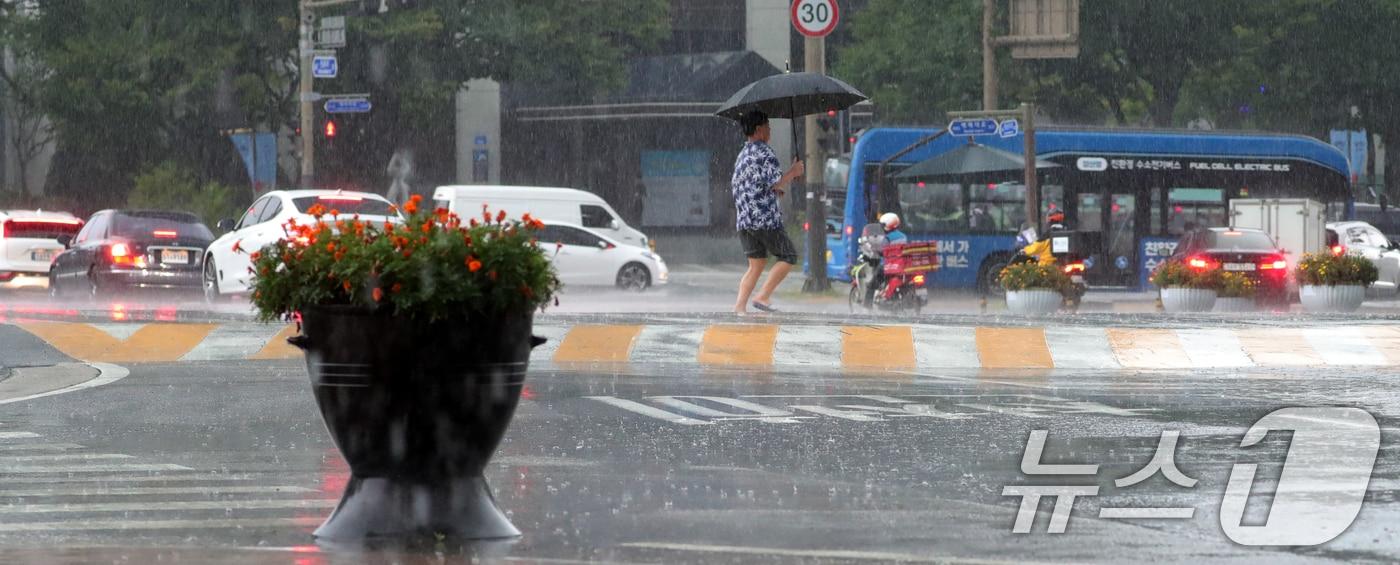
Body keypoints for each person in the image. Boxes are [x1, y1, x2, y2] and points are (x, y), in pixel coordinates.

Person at [730, 110, 804, 315]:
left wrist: (774, 189)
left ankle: (739, 307)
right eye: (767, 126)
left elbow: (753, 184)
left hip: (744, 219)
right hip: (763, 218)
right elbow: (776, 180)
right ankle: (763, 296)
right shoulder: (764, 152)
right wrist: (794, 171)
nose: (770, 129)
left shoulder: (743, 154)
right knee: (788, 255)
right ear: (759, 129)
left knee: (756, 263)